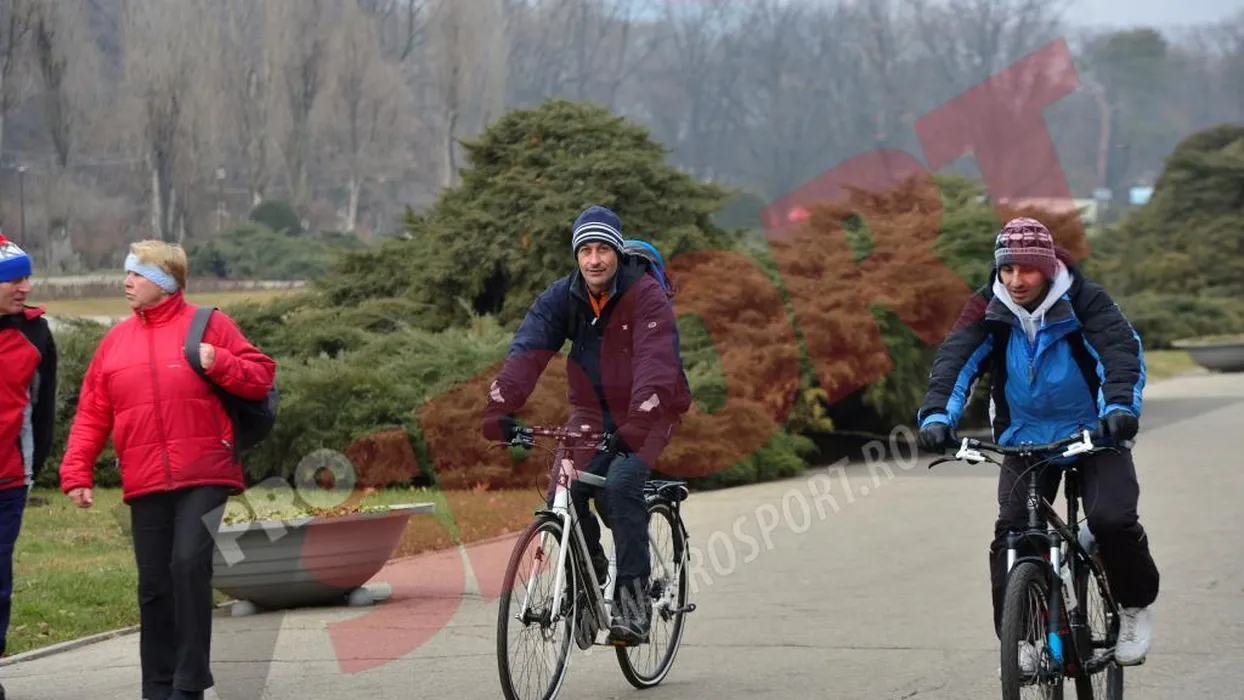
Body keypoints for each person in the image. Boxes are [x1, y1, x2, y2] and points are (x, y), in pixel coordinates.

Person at [916, 217, 1159, 668]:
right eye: (1007, 269)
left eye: (1026, 269)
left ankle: (1133, 607)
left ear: (1047, 268)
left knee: (1112, 520)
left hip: (1094, 433)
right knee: (1013, 534)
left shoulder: (1085, 300)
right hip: (1024, 438)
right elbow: (955, 359)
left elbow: (1120, 352)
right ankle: (1023, 637)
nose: (1015, 280)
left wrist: (1119, 408)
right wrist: (937, 416)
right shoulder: (988, 306)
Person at [58, 240, 276, 700]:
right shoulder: (115, 341)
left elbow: (261, 376)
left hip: (206, 471)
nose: (127, 282)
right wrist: (77, 472)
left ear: (165, 282)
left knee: (188, 564)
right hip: (145, 478)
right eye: (127, 273)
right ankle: (157, 687)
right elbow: (92, 413)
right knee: (154, 585)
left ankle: (189, 682)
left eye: (137, 274)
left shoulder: (209, 324)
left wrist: (221, 362)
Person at [482, 205, 692, 645]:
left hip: (650, 409)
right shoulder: (563, 296)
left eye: (602, 250)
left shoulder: (645, 295)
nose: (594, 260)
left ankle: (633, 605)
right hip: (592, 413)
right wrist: (499, 406)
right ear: (576, 256)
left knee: (621, 485)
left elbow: (656, 362)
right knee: (565, 490)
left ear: (617, 252)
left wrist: (640, 421)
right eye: (585, 251)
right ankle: (587, 576)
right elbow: (528, 349)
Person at [0, 234, 56, 697]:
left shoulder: (36, 333)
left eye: (27, 277)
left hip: (8, 480)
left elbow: (43, 410)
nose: (25, 287)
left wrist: (34, 464)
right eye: (14, 280)